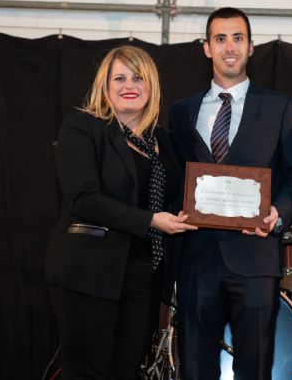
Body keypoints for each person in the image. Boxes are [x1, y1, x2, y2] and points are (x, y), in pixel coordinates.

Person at [168, 7, 292, 379]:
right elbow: (173, 181)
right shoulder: (181, 112)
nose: (229, 47)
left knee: (255, 370)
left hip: (256, 260)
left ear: (250, 47)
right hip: (196, 260)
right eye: (220, 39)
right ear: (206, 48)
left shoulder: (280, 108)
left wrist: (277, 214)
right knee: (195, 370)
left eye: (238, 38)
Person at [45, 45, 197, 380]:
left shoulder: (164, 141)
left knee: (126, 373)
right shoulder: (83, 127)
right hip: (90, 272)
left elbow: (187, 193)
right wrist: (150, 221)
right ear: (105, 85)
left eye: (138, 77)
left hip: (144, 277)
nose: (130, 85)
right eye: (120, 78)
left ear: (151, 85)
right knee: (86, 373)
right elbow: (83, 198)